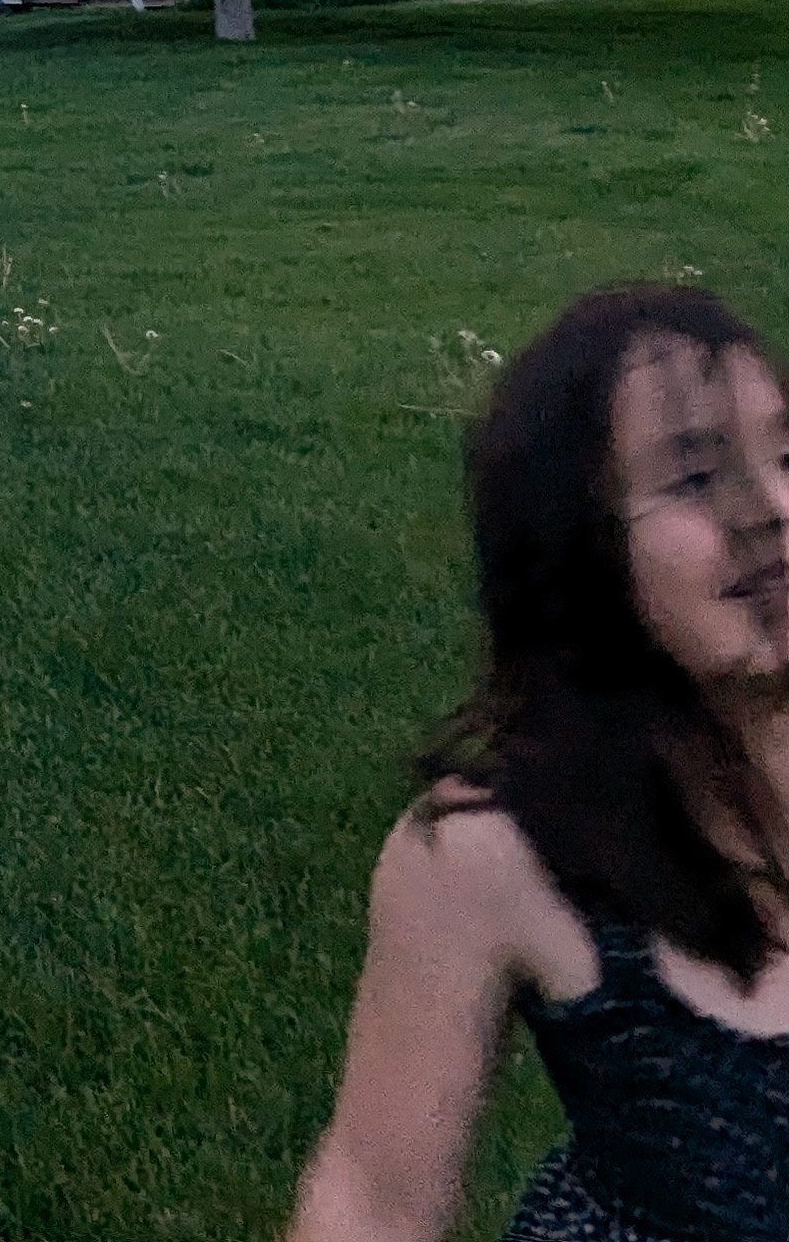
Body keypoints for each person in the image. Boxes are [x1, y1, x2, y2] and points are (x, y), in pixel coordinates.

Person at [290, 283, 789, 1240]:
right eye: (693, 479)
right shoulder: (498, 852)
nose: (766, 510)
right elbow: (372, 1200)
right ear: (575, 548)